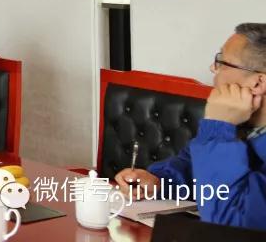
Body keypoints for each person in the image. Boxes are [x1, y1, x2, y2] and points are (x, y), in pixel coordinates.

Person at [114, 23, 266, 230]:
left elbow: (228, 227)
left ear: (258, 83)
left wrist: (218, 127)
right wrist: (159, 182)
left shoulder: (223, 124)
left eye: (222, 62)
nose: (212, 68)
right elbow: (192, 168)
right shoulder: (243, 125)